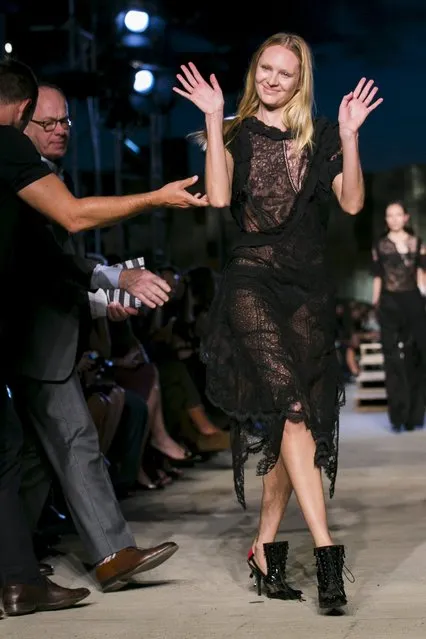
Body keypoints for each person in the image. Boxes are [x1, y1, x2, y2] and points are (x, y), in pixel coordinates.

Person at [174, 32, 382, 611]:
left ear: (299, 81)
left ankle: (264, 548)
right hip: (251, 284)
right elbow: (217, 198)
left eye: (284, 73)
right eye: (264, 68)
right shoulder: (237, 131)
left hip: (309, 294)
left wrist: (348, 137)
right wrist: (215, 120)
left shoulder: (320, 142)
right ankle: (326, 553)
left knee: (300, 430)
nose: (271, 79)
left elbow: (353, 204)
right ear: (254, 73)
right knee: (292, 409)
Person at [0, 58, 206, 617]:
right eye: (49, 121)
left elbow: (58, 256)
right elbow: (67, 229)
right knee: (61, 445)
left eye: (67, 120)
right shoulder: (15, 160)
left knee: (37, 452)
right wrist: (156, 201)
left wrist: (112, 279)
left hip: (35, 333)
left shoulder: (30, 166)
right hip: (31, 334)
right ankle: (91, 556)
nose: (62, 128)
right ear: (21, 119)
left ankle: (32, 562)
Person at [372, 201, 426, 432]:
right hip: (389, 302)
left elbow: (422, 274)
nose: (393, 219)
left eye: (397, 214)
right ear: (386, 220)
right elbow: (377, 276)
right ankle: (398, 415)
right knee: (392, 358)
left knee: (417, 356)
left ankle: (415, 415)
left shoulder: (418, 243)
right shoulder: (379, 245)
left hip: (414, 301)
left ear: (406, 218)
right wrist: (375, 302)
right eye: (389, 215)